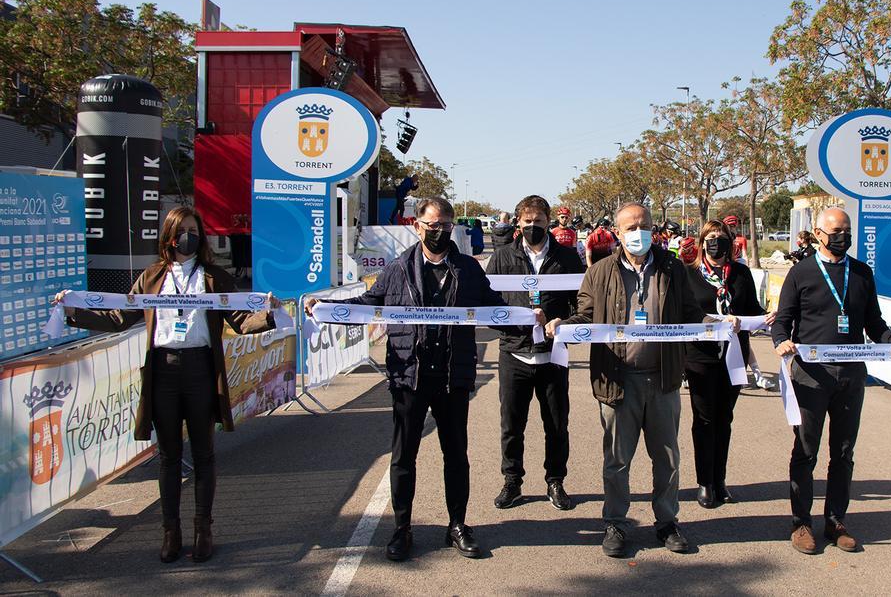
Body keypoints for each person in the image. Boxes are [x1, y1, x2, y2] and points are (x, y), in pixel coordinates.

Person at [305, 197, 543, 562]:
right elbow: (368, 303)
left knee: (455, 455)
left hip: (453, 376)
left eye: (446, 226)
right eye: (432, 226)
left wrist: (528, 318)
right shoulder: (399, 268)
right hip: (409, 376)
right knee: (404, 457)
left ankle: (458, 525)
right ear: (418, 226)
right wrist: (325, 310)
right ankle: (401, 529)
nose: (439, 232)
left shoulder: (467, 269)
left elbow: (494, 308)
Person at [56, 206, 280, 564]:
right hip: (163, 371)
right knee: (169, 457)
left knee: (204, 454)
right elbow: (119, 316)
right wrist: (72, 312)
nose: (188, 237)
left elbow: (240, 320)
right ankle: (170, 531)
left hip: (201, 371)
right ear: (170, 237)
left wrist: (269, 314)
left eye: (195, 230)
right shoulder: (151, 277)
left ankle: (202, 529)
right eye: (182, 230)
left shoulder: (213, 277)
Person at [546, 202, 738, 559]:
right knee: (617, 460)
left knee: (667, 458)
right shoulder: (600, 272)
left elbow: (691, 316)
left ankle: (667, 522)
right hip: (617, 380)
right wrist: (564, 325)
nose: (639, 233)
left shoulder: (672, 269)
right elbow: (585, 314)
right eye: (631, 227)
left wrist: (719, 323)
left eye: (645, 225)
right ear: (617, 232)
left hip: (662, 379)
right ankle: (616, 522)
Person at [770, 207, 891, 555]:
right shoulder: (800, 273)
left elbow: (874, 324)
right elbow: (782, 320)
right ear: (818, 233)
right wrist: (781, 342)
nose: (843, 236)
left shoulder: (862, 273)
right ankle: (801, 522)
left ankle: (835, 521)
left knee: (844, 453)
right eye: (836, 230)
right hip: (811, 375)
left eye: (847, 230)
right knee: (805, 451)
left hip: (851, 375)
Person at [488, 195, 584, 511]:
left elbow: (582, 304)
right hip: (514, 353)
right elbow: (490, 303)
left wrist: (564, 323)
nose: (533, 226)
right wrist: (513, 321)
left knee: (557, 424)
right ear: (518, 223)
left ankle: (555, 481)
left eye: (539, 221)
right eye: (527, 222)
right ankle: (512, 481)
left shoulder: (568, 257)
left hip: (553, 355)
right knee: (511, 425)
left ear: (549, 222)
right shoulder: (502, 257)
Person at [684, 220, 771, 508]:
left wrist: (767, 318)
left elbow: (752, 310)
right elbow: (687, 313)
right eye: (710, 237)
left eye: (721, 237)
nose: (716, 242)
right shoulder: (690, 274)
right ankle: (704, 482)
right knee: (705, 419)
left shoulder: (741, 273)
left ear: (730, 242)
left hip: (734, 357)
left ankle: (720, 479)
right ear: (701, 242)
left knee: (725, 419)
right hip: (701, 358)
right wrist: (713, 322)